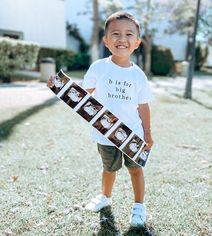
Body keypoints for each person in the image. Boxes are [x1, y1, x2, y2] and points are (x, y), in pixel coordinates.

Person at [48, 11, 154, 227]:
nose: (122, 39)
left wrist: (148, 134)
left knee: (136, 169)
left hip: (132, 134)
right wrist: (60, 87)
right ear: (106, 41)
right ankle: (105, 198)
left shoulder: (138, 75)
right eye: (115, 33)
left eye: (128, 34)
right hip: (104, 134)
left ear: (137, 42)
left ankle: (139, 207)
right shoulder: (99, 67)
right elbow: (81, 94)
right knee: (109, 168)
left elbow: (143, 106)